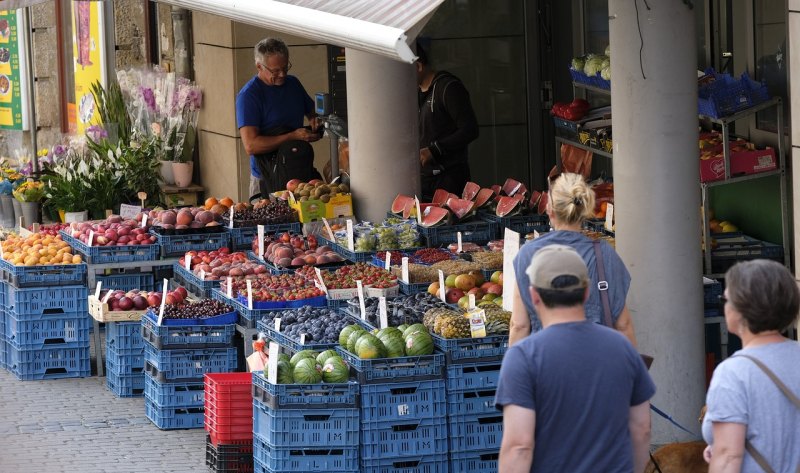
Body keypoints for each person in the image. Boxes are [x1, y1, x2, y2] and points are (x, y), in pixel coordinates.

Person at [496, 244, 655, 473]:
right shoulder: (622, 347)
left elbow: (519, 446)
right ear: (587, 291)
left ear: (533, 295)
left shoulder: (523, 357)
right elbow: (641, 429)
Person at [509, 173, 636, 346]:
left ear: (549, 209)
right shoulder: (604, 254)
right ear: (585, 210)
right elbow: (623, 325)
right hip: (597, 365)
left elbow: (519, 325)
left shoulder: (528, 254)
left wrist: (516, 367)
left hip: (546, 363)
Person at [702, 259, 800, 473]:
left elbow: (728, 457)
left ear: (740, 309)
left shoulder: (733, 373)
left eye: (724, 300)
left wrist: (721, 448)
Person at [236, 37, 322, 198]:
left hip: (298, 169)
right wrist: (293, 136)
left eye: (285, 67)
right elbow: (251, 145)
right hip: (267, 176)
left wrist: (314, 121)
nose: (282, 74)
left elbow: (312, 111)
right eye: (275, 71)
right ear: (259, 66)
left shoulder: (293, 83)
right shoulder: (249, 96)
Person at [416, 40, 479, 200]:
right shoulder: (414, 93)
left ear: (418, 66)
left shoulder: (449, 88)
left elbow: (470, 129)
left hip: (450, 180)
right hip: (424, 180)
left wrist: (434, 150)